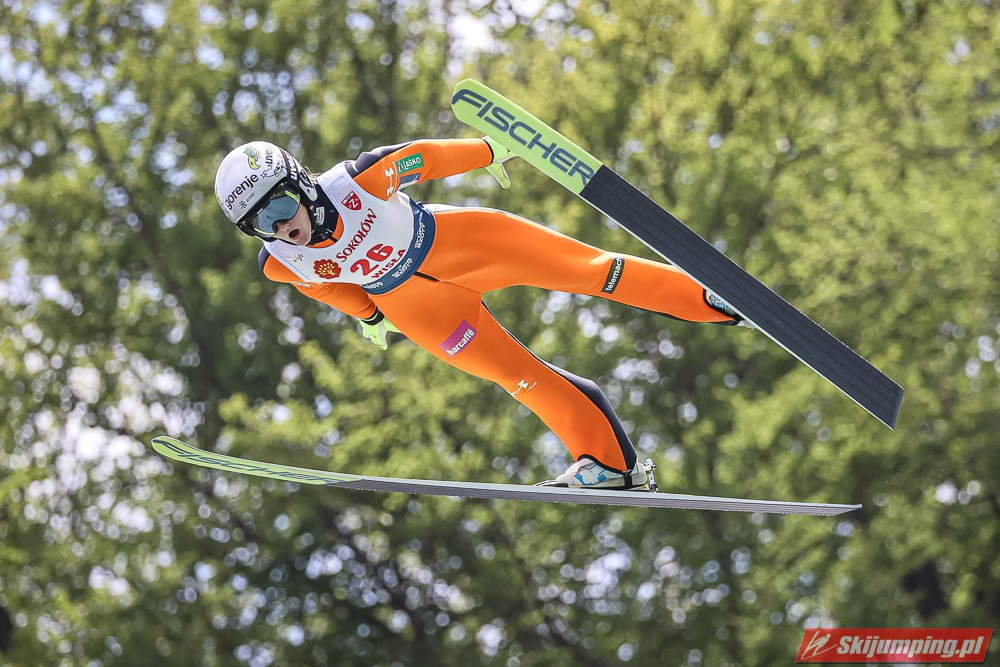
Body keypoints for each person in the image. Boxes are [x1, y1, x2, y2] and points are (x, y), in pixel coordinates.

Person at [214, 137, 746, 490]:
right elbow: (327, 288)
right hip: (422, 310)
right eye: (260, 224)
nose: (280, 228)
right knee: (520, 377)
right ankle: (610, 464)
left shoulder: (361, 179)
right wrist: (370, 318)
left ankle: (708, 298)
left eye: (279, 207)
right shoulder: (279, 262)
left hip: (461, 244)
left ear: (300, 182)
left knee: (591, 271)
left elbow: (427, 157)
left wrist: (491, 150)